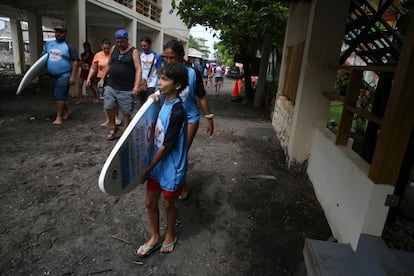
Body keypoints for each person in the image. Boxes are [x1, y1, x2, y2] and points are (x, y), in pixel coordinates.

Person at [137, 63, 189, 257]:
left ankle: (170, 234)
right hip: (157, 164)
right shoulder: (163, 102)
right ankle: (155, 236)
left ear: (177, 85)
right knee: (150, 202)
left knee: (168, 204)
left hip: (171, 166)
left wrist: (148, 168)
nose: (160, 82)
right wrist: (153, 100)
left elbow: (167, 146)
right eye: (160, 78)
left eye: (165, 79)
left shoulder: (178, 112)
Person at [161, 39, 214, 200]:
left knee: (180, 152)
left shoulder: (192, 73)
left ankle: (180, 186)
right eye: (166, 58)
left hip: (189, 119)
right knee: (169, 151)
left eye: (172, 58)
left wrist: (209, 118)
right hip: (171, 118)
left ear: (181, 56)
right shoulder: (165, 72)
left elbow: (202, 97)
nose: (169, 61)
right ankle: (175, 183)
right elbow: (160, 95)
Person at [98, 29, 142, 140]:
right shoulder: (114, 49)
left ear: (127, 40)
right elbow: (108, 64)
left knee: (126, 112)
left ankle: (126, 132)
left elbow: (138, 69)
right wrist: (103, 78)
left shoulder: (133, 51)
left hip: (126, 88)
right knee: (108, 106)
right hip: (111, 84)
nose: (119, 44)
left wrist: (136, 86)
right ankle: (113, 127)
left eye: (121, 42)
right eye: (117, 41)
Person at [42, 24, 79, 125]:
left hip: (64, 75)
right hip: (51, 75)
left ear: (65, 34)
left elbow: (76, 61)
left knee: (59, 96)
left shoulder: (69, 46)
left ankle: (58, 117)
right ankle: (66, 110)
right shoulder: (49, 44)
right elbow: (43, 58)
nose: (58, 34)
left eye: (61, 32)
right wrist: (42, 71)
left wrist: (72, 76)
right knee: (57, 95)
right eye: (56, 32)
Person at [86, 39, 121, 127]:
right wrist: (89, 78)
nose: (106, 50)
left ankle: (116, 117)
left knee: (114, 99)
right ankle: (108, 119)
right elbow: (93, 68)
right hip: (101, 78)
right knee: (106, 99)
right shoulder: (98, 55)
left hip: (112, 78)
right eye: (104, 48)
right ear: (101, 47)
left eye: (108, 48)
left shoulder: (114, 55)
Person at [139, 36, 162, 103]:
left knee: (148, 101)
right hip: (142, 82)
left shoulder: (156, 56)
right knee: (141, 101)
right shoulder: (140, 55)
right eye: (142, 46)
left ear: (150, 45)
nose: (143, 47)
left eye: (145, 46)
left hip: (152, 82)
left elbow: (159, 70)